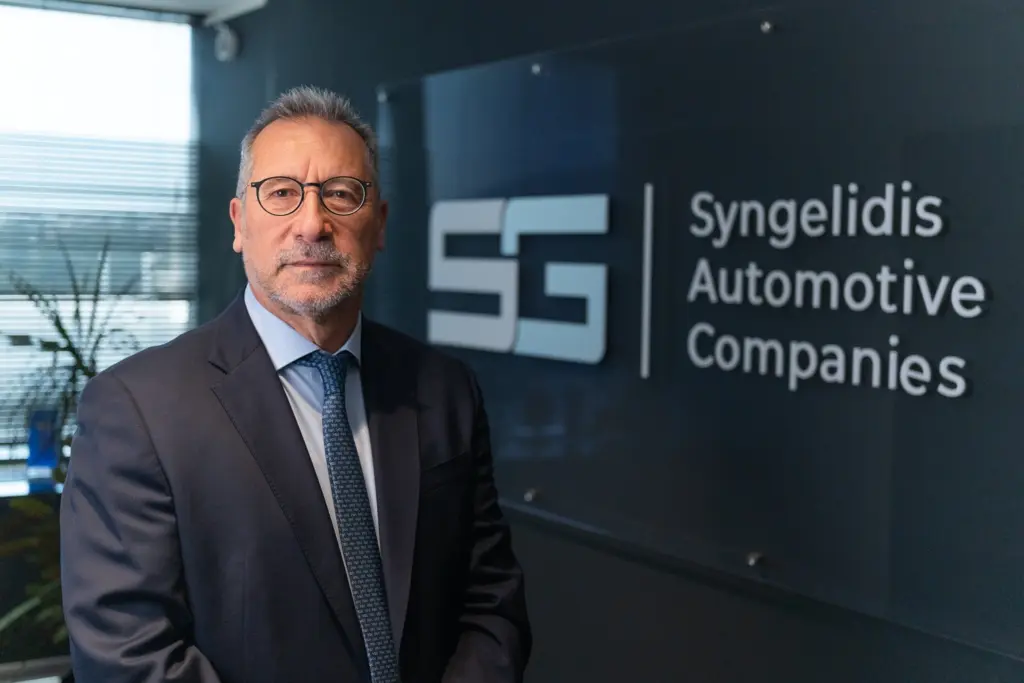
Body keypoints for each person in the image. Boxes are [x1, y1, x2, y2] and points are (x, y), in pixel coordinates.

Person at [59, 85, 531, 683]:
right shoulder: (138, 409)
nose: (312, 223)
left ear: (379, 225)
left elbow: (490, 604)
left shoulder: (444, 391)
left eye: (342, 193)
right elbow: (130, 657)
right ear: (239, 222)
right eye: (281, 193)